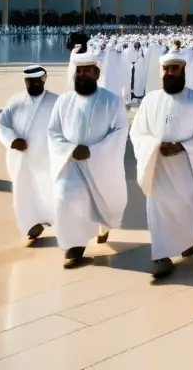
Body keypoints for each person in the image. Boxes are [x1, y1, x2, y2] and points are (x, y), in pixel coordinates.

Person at [130, 52, 193, 279]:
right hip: (157, 166)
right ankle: (161, 255)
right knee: (157, 209)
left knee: (187, 207)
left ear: (183, 70)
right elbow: (137, 132)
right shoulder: (150, 100)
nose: (169, 73)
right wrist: (155, 145)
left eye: (174, 69)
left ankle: (187, 241)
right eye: (166, 69)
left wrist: (182, 147)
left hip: (187, 167)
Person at [47, 53, 128, 268]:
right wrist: (71, 150)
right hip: (71, 163)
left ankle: (103, 227)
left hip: (101, 165)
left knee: (104, 204)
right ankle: (74, 246)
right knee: (65, 198)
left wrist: (94, 152)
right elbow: (54, 132)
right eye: (78, 71)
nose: (81, 75)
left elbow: (119, 132)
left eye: (86, 70)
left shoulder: (112, 100)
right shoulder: (64, 101)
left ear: (96, 73)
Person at [0, 65, 58, 244]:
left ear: (44, 80)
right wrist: (12, 140)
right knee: (24, 193)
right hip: (21, 159)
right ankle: (31, 225)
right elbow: (2, 125)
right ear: (25, 81)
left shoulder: (56, 101)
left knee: (47, 190)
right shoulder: (15, 101)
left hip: (46, 157)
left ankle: (47, 218)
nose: (34, 84)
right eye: (30, 81)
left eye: (37, 80)